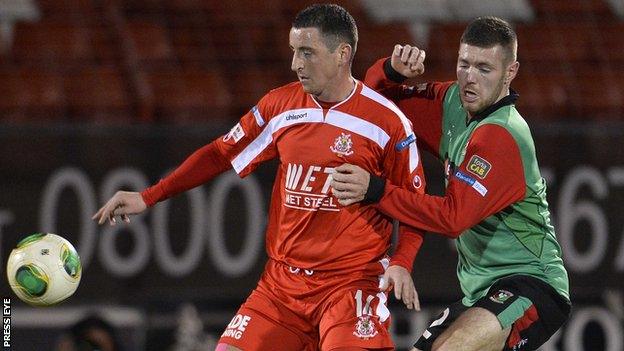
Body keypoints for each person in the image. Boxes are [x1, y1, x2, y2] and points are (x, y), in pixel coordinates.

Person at [93, 4, 428, 351]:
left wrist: (402, 263)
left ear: (342, 54)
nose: (295, 63)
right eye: (294, 51)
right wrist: (148, 196)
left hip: (351, 285)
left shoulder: (386, 123)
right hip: (282, 286)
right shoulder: (280, 107)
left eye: (307, 52)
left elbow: (415, 206)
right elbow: (219, 153)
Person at [330, 17, 571, 351]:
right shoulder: (453, 103)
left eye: (484, 69)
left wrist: (376, 191)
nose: (470, 78)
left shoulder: (501, 135)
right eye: (464, 64)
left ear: (510, 72)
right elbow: (377, 108)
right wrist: (392, 71)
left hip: (532, 283)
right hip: (480, 292)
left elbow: (452, 218)